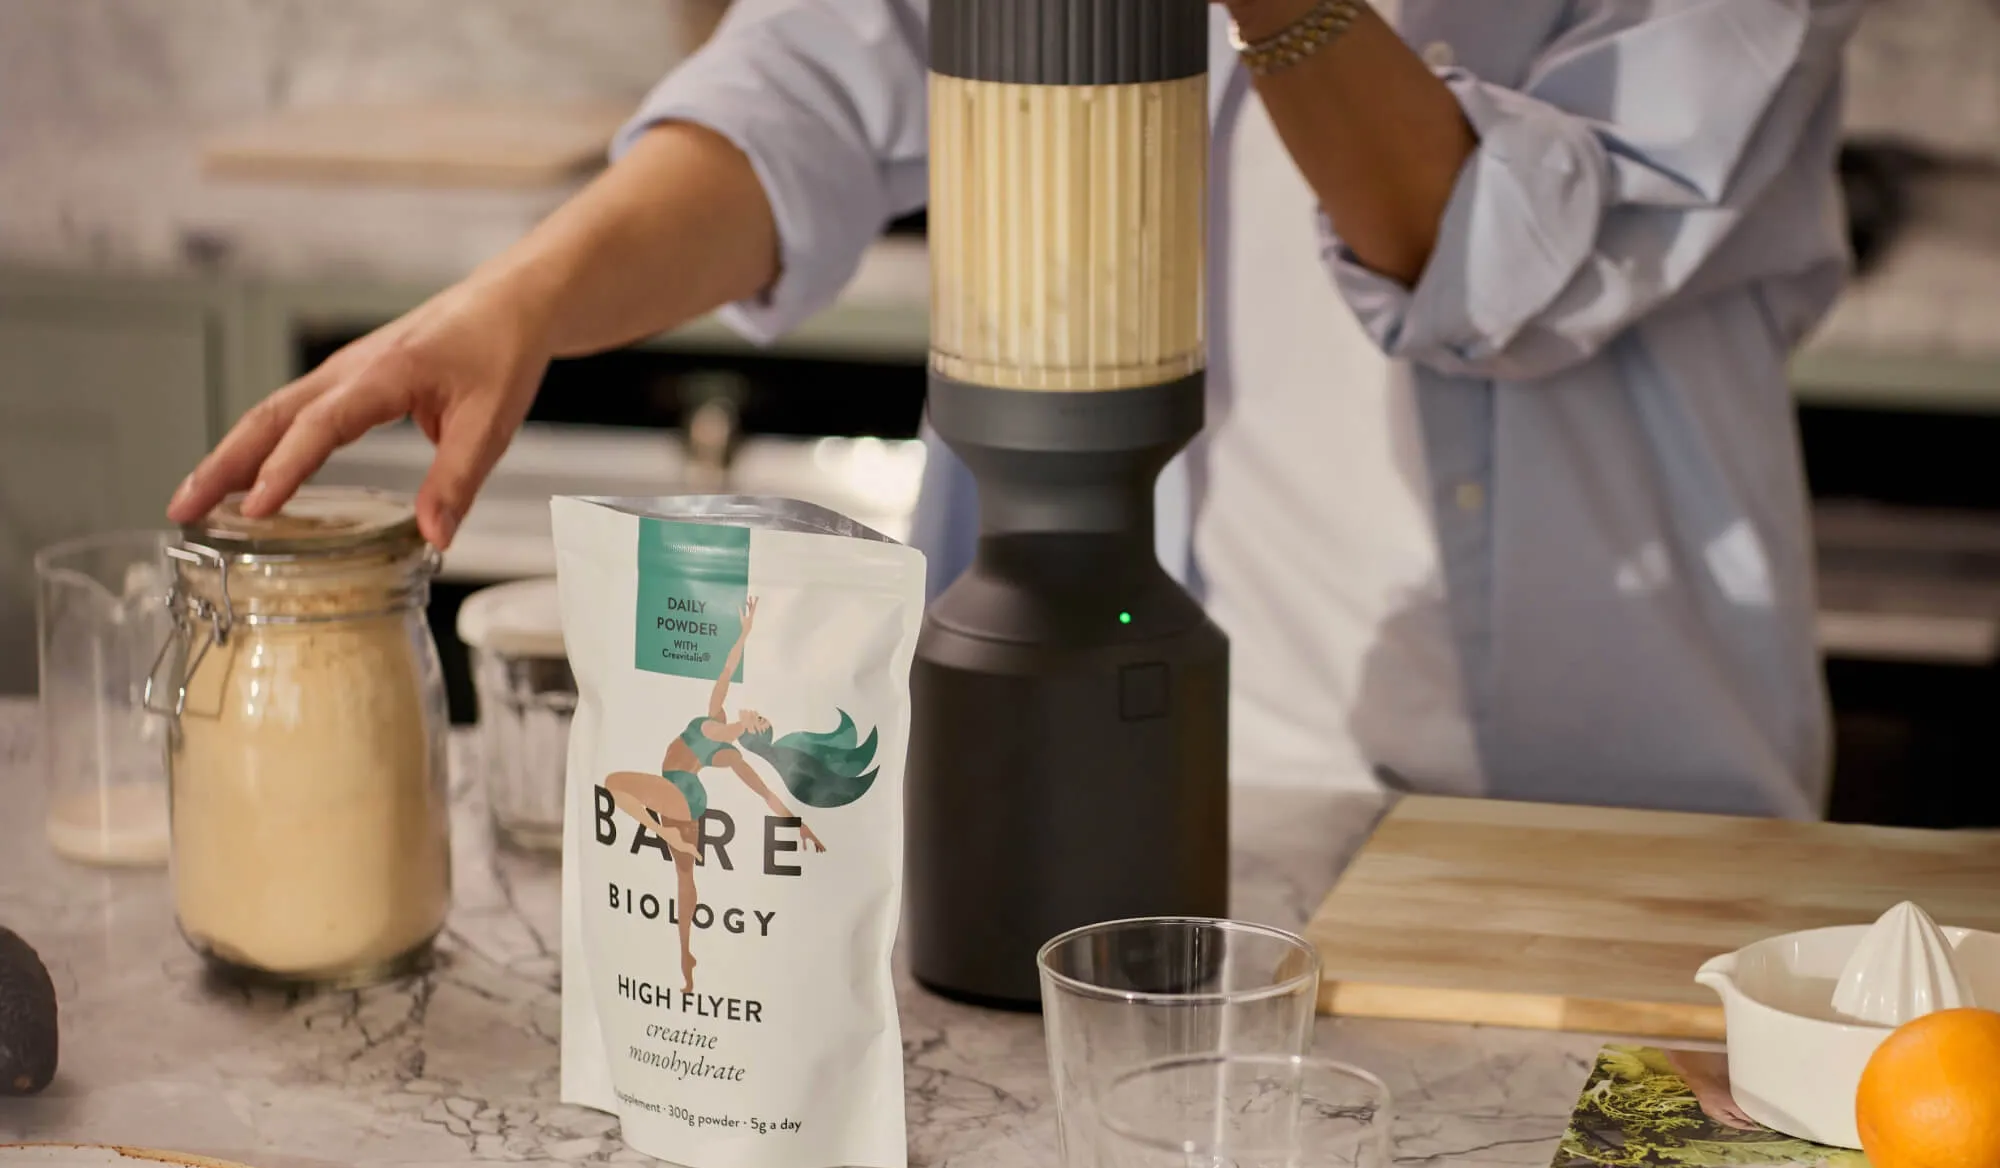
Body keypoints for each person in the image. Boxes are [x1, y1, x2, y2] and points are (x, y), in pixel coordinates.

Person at [166, 0, 1864, 818]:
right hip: (1157, 794)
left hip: (1609, 807)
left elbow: (1491, 259)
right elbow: (810, 83)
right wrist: (523, 301)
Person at [602, 596, 876, 991]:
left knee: (614, 784)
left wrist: (800, 827)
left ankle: (663, 834)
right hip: (685, 800)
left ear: (751, 729)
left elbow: (763, 789)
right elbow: (726, 672)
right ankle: (686, 958)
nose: (756, 716)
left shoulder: (722, 739)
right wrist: (744, 633)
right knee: (684, 879)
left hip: (677, 792)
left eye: (759, 721)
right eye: (759, 716)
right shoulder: (720, 730)